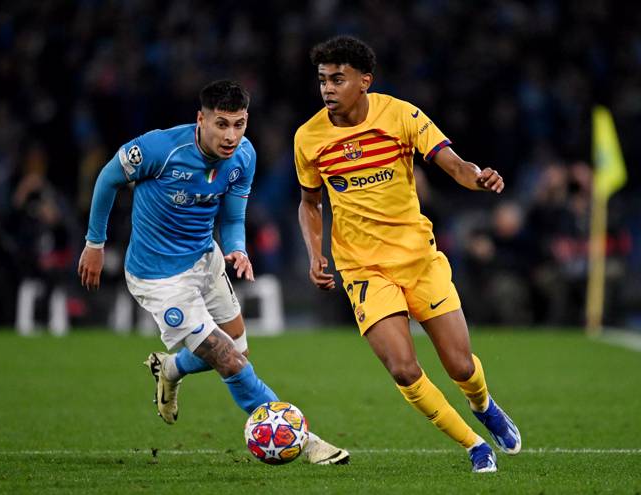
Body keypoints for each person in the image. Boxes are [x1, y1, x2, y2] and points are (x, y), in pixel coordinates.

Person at [78, 79, 349, 465]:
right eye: (221, 124)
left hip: (206, 259)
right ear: (200, 119)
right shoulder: (159, 148)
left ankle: (169, 368)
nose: (231, 135)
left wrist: (237, 249)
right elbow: (108, 177)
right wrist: (94, 243)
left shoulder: (244, 156)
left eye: (239, 124)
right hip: (160, 279)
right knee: (230, 360)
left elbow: (234, 215)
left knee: (237, 348)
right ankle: (304, 440)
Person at [294, 36, 520, 473]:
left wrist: (478, 178)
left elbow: (453, 164)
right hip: (362, 268)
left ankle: (484, 405)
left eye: (337, 79)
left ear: (364, 82)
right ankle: (474, 444)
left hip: (418, 259)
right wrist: (314, 253)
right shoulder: (308, 137)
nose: (327, 88)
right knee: (402, 368)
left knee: (459, 365)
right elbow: (309, 202)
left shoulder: (400, 114)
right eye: (322, 80)